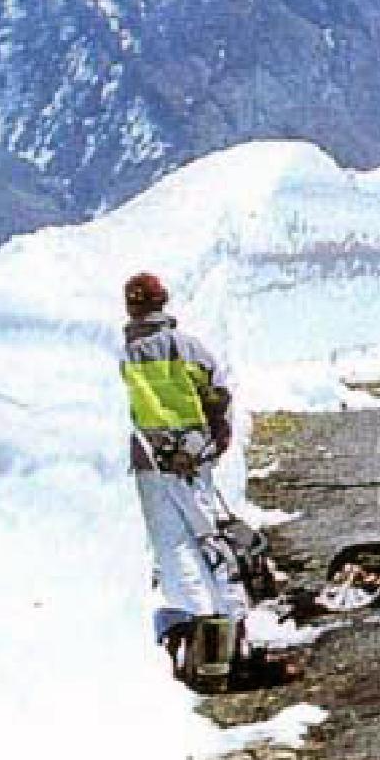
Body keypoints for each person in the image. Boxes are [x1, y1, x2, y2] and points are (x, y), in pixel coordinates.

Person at [120, 271, 250, 686]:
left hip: (149, 463)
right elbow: (218, 393)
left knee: (174, 550)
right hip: (190, 460)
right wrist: (215, 438)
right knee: (211, 541)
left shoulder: (120, 354)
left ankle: (204, 645)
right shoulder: (187, 347)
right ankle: (233, 639)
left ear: (130, 307)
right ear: (163, 303)